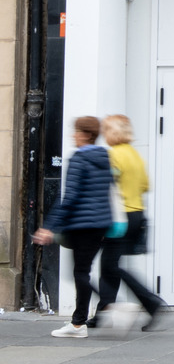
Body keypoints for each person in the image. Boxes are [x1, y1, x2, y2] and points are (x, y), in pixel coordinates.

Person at [32, 116, 115, 339]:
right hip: (100, 223)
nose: (73, 135)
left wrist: (49, 226)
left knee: (80, 273)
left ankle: (80, 323)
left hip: (82, 224)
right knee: (82, 273)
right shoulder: (104, 157)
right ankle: (85, 319)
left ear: (86, 134)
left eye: (76, 131)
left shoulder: (79, 158)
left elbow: (69, 198)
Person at [94, 115, 168, 331]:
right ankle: (102, 313)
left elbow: (107, 188)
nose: (104, 134)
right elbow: (146, 185)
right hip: (138, 214)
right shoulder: (135, 155)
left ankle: (151, 302)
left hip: (120, 215)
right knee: (110, 264)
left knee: (110, 265)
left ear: (113, 132)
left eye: (106, 130)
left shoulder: (113, 155)